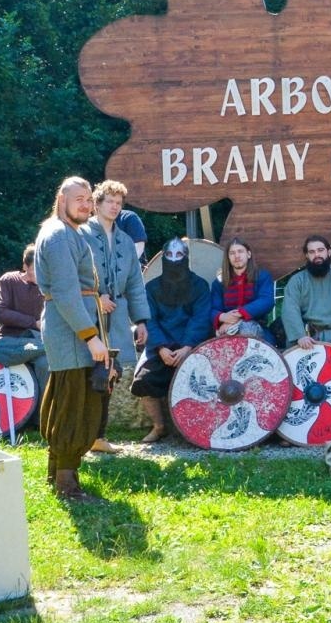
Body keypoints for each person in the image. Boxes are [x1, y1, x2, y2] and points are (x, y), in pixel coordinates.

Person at [34, 177, 109, 502]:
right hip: (70, 330)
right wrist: (91, 337)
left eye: (89, 199)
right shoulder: (58, 234)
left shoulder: (69, 233)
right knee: (72, 403)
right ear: (61, 198)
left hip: (73, 327)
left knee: (69, 397)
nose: (86, 205)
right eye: (79, 198)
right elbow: (65, 293)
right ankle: (66, 485)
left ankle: (58, 473)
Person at [84, 180, 149, 453]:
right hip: (87, 316)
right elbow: (73, 276)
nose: (114, 207)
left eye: (118, 203)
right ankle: (81, 435)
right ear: (97, 204)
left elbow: (134, 283)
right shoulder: (81, 234)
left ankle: (98, 436)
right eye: (109, 201)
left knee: (110, 374)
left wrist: (142, 320)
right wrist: (96, 296)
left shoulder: (124, 239)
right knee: (86, 374)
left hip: (118, 316)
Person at [132, 238, 214, 444]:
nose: (174, 259)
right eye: (169, 255)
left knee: (201, 384)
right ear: (163, 257)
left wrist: (188, 346)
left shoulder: (200, 286)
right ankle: (159, 427)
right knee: (144, 381)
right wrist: (160, 347)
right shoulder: (151, 288)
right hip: (160, 348)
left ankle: (191, 428)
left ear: (186, 258)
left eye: (179, 255)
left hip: (191, 347)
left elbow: (200, 319)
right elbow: (149, 319)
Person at [282, 235, 331, 354]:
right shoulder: (297, 281)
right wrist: (300, 336)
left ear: (328, 252)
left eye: (320, 250)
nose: (317, 255)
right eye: (312, 252)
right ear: (307, 256)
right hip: (308, 336)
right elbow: (290, 310)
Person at [211, 237, 275, 341]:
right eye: (232, 253)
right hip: (225, 328)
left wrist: (238, 315)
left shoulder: (262, 276)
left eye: (240, 251)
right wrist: (223, 317)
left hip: (257, 329)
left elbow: (267, 301)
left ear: (248, 254)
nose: (236, 256)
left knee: (247, 329)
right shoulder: (219, 282)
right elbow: (213, 308)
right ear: (228, 257)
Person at [0, 245, 42, 339]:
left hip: (41, 340)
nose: (40, 273)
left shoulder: (51, 286)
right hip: (10, 338)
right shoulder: (9, 280)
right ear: (25, 266)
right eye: (35, 269)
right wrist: (33, 323)